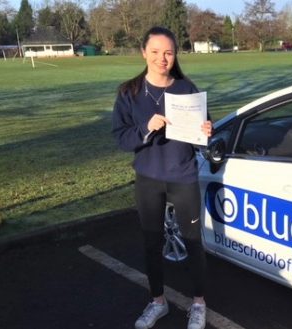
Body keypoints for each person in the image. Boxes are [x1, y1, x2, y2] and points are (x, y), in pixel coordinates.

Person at [112, 26, 212, 329]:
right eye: (155, 52)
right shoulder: (129, 92)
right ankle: (158, 301)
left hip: (182, 176)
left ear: (175, 54)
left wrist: (207, 131)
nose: (162, 58)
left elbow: (200, 136)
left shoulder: (187, 89)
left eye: (168, 52)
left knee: (193, 242)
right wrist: (146, 127)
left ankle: (198, 303)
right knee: (151, 243)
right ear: (144, 53)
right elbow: (121, 137)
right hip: (148, 178)